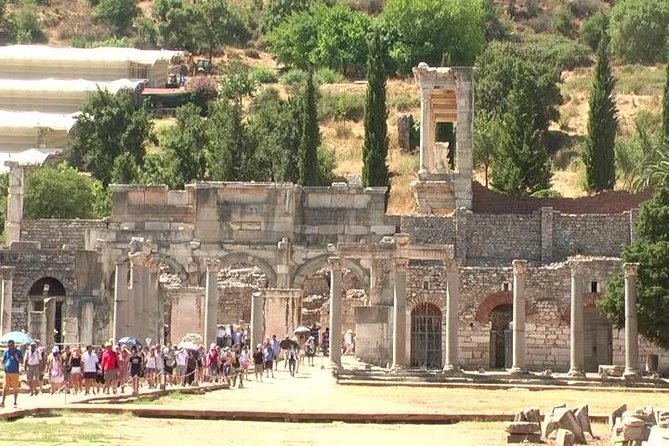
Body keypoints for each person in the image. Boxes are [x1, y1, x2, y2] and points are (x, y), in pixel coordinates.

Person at [1, 339, 23, 408]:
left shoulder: (18, 352)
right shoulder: (6, 352)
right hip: (7, 371)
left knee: (15, 388)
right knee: (5, 387)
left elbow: (21, 361)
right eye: (8, 345)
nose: (10, 347)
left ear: (14, 345)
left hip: (15, 372)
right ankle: (2, 402)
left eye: (11, 345)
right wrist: (3, 363)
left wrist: (17, 358)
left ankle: (15, 402)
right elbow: (3, 361)